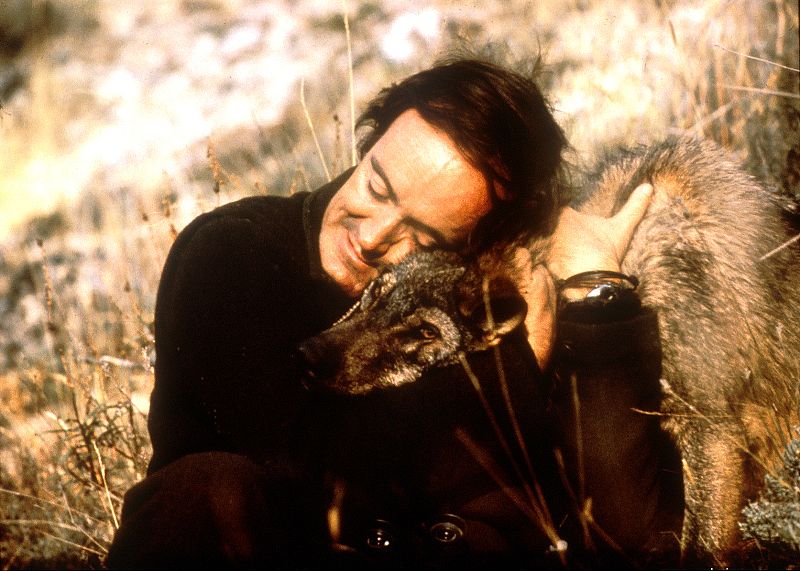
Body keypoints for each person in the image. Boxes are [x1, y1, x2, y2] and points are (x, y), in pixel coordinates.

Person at [106, 57, 680, 569]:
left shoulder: (485, 312)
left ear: (473, 247)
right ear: (368, 144)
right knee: (205, 487)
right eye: (378, 186)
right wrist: (515, 371)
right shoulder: (235, 252)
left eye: (424, 235)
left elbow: (628, 530)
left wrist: (595, 295)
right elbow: (312, 465)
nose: (373, 235)